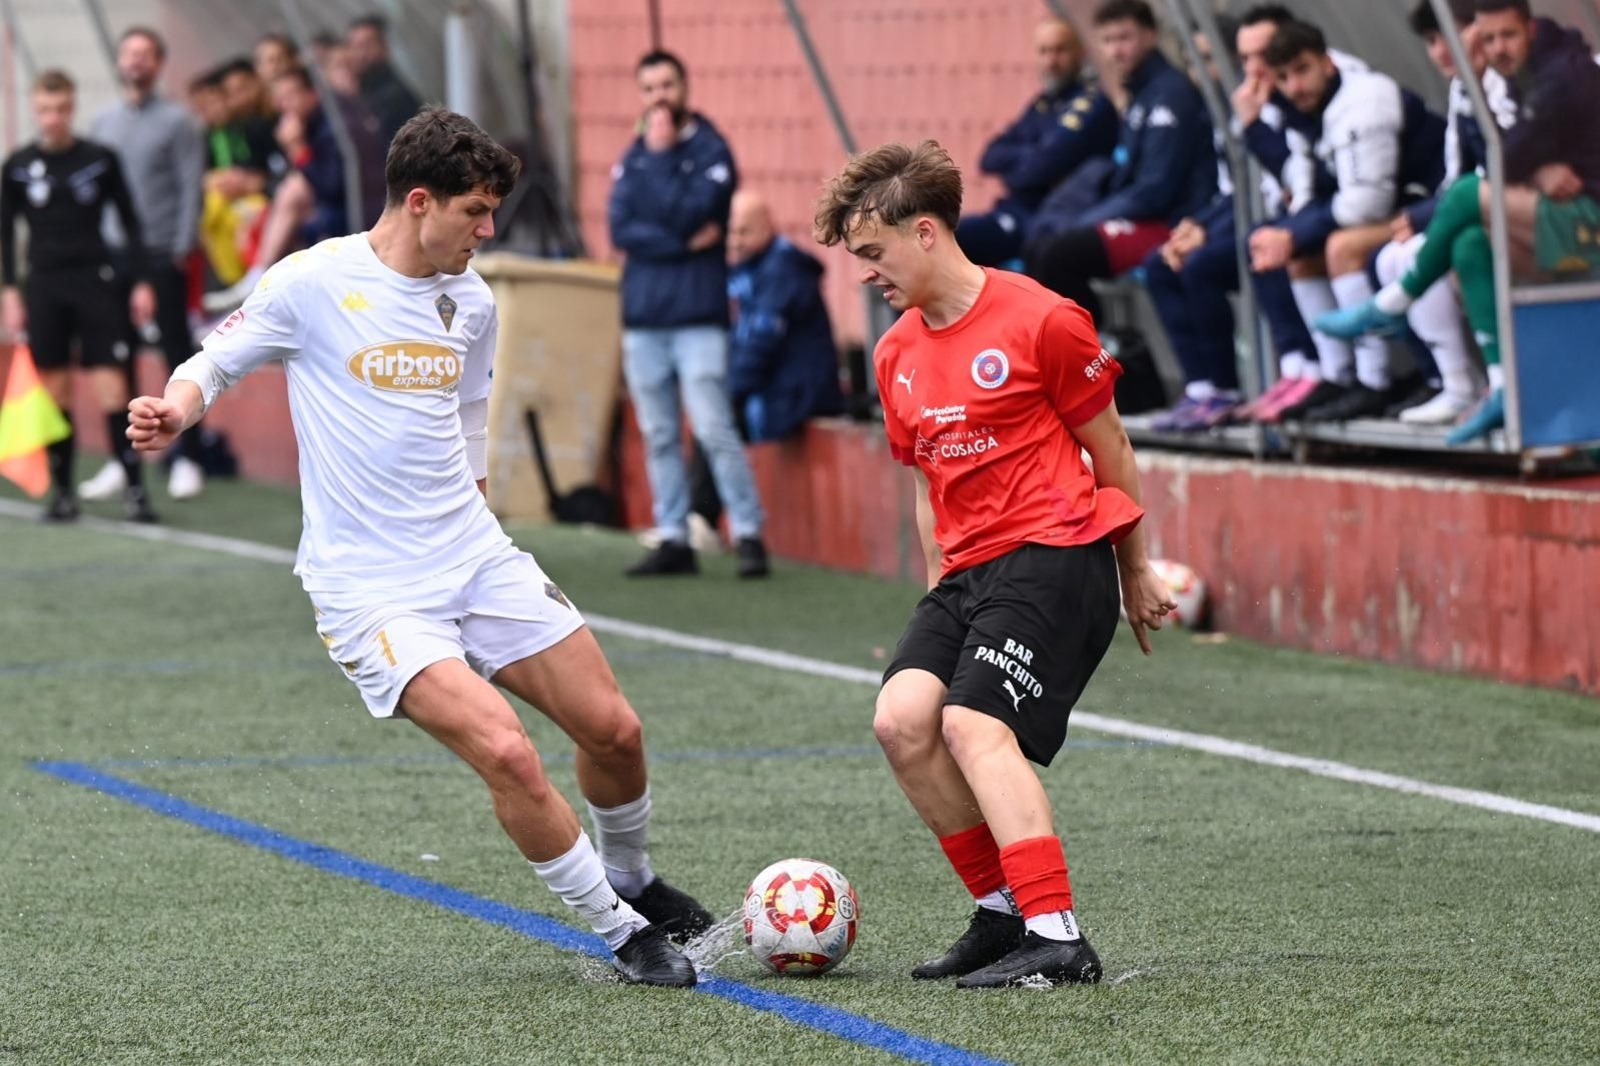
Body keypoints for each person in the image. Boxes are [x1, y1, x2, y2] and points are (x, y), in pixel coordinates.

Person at [126, 107, 711, 988]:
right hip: (371, 591)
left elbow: (469, 418)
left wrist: (482, 521)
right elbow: (212, 363)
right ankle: (623, 931)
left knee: (614, 731)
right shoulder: (312, 282)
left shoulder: (470, 300)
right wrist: (174, 410)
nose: (488, 231)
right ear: (419, 201)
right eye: (476, 212)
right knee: (507, 751)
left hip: (473, 556)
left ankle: (632, 876)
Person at [814, 140, 1174, 989]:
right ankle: (1003, 912)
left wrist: (1135, 568)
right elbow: (925, 485)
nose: (866, 272)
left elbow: (1112, 449)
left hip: (1056, 552)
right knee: (902, 721)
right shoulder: (895, 353)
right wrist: (937, 590)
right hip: (968, 573)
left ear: (926, 232)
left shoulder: (1043, 318)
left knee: (972, 724)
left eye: (874, 252)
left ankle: (1057, 936)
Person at [1318, 0, 1600, 443]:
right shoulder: (1519, 72)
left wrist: (1526, 161)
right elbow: (1504, 154)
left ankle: (1394, 303)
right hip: (1566, 219)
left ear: (1530, 29)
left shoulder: (1561, 72)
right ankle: (1502, 386)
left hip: (1589, 221)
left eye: (1507, 35)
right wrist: (1533, 166)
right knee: (1470, 242)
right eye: (1489, 39)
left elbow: (1506, 156)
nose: (1498, 48)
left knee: (1470, 193)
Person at [608, 50, 769, 578]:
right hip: (644, 319)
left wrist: (662, 167)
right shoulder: (635, 154)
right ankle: (673, 536)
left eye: (667, 85)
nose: (659, 97)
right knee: (658, 433)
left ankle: (748, 532)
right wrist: (681, 243)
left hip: (698, 317)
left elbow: (693, 211)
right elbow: (621, 229)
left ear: (685, 86)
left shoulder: (711, 149)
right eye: (649, 88)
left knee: (713, 427)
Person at [1246, 21, 1444, 422]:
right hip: (1391, 211)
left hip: (1430, 206)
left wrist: (1293, 233)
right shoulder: (1301, 112)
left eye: (1302, 70)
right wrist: (1286, 235)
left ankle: (1375, 381)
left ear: (1327, 62)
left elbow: (1367, 203)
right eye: (1283, 77)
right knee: (1300, 254)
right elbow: (1305, 192)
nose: (1295, 86)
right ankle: (1337, 375)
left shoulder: (1365, 98)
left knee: (1341, 246)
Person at [0, 69, 158, 522]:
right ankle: (64, 492)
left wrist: (141, 281)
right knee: (55, 389)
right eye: (44, 109)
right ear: (35, 110)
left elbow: (130, 222)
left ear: (72, 108)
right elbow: (6, 233)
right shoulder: (17, 166)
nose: (53, 118)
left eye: (61, 109)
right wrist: (10, 290)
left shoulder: (100, 159)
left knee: (113, 385)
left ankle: (135, 491)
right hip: (44, 283)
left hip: (95, 280)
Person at [1023, 0, 1215, 322]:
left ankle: (1091, 344)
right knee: (1039, 245)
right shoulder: (1142, 91)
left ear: (1150, 36)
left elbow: (1155, 191)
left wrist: (1089, 220)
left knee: (1059, 254)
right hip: (1143, 216)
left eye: (1125, 38)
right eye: (1107, 40)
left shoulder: (1170, 94)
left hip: (1171, 224)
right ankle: (1068, 342)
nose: (1115, 50)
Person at [89, 26, 207, 501]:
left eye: (145, 54)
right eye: (130, 53)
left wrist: (179, 251)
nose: (136, 61)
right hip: (113, 257)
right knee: (116, 357)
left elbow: (191, 188)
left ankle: (189, 457)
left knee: (178, 353)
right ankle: (125, 458)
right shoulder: (102, 122)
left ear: (158, 64)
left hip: (162, 255)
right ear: (120, 62)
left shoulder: (179, 123)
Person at [203, 66, 388, 315]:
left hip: (360, 206)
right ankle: (260, 280)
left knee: (293, 191)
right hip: (325, 203)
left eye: (290, 96)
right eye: (280, 99)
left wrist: (297, 150)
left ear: (311, 93)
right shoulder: (308, 124)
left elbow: (332, 187)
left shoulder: (331, 125)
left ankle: (260, 279)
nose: (285, 106)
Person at [955, 19, 1117, 267]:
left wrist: (1016, 168)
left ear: (1080, 53)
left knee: (955, 240)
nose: (1051, 61)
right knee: (940, 237)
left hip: (1047, 219)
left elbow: (1041, 167)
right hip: (1014, 211)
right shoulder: (1042, 105)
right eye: (1044, 51)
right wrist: (1033, 154)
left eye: (1060, 50)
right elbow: (989, 156)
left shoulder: (1091, 105)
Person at [347, 14, 423, 142]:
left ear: (384, 47)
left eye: (366, 45)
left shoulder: (394, 96)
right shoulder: (359, 88)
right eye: (354, 46)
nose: (359, 54)